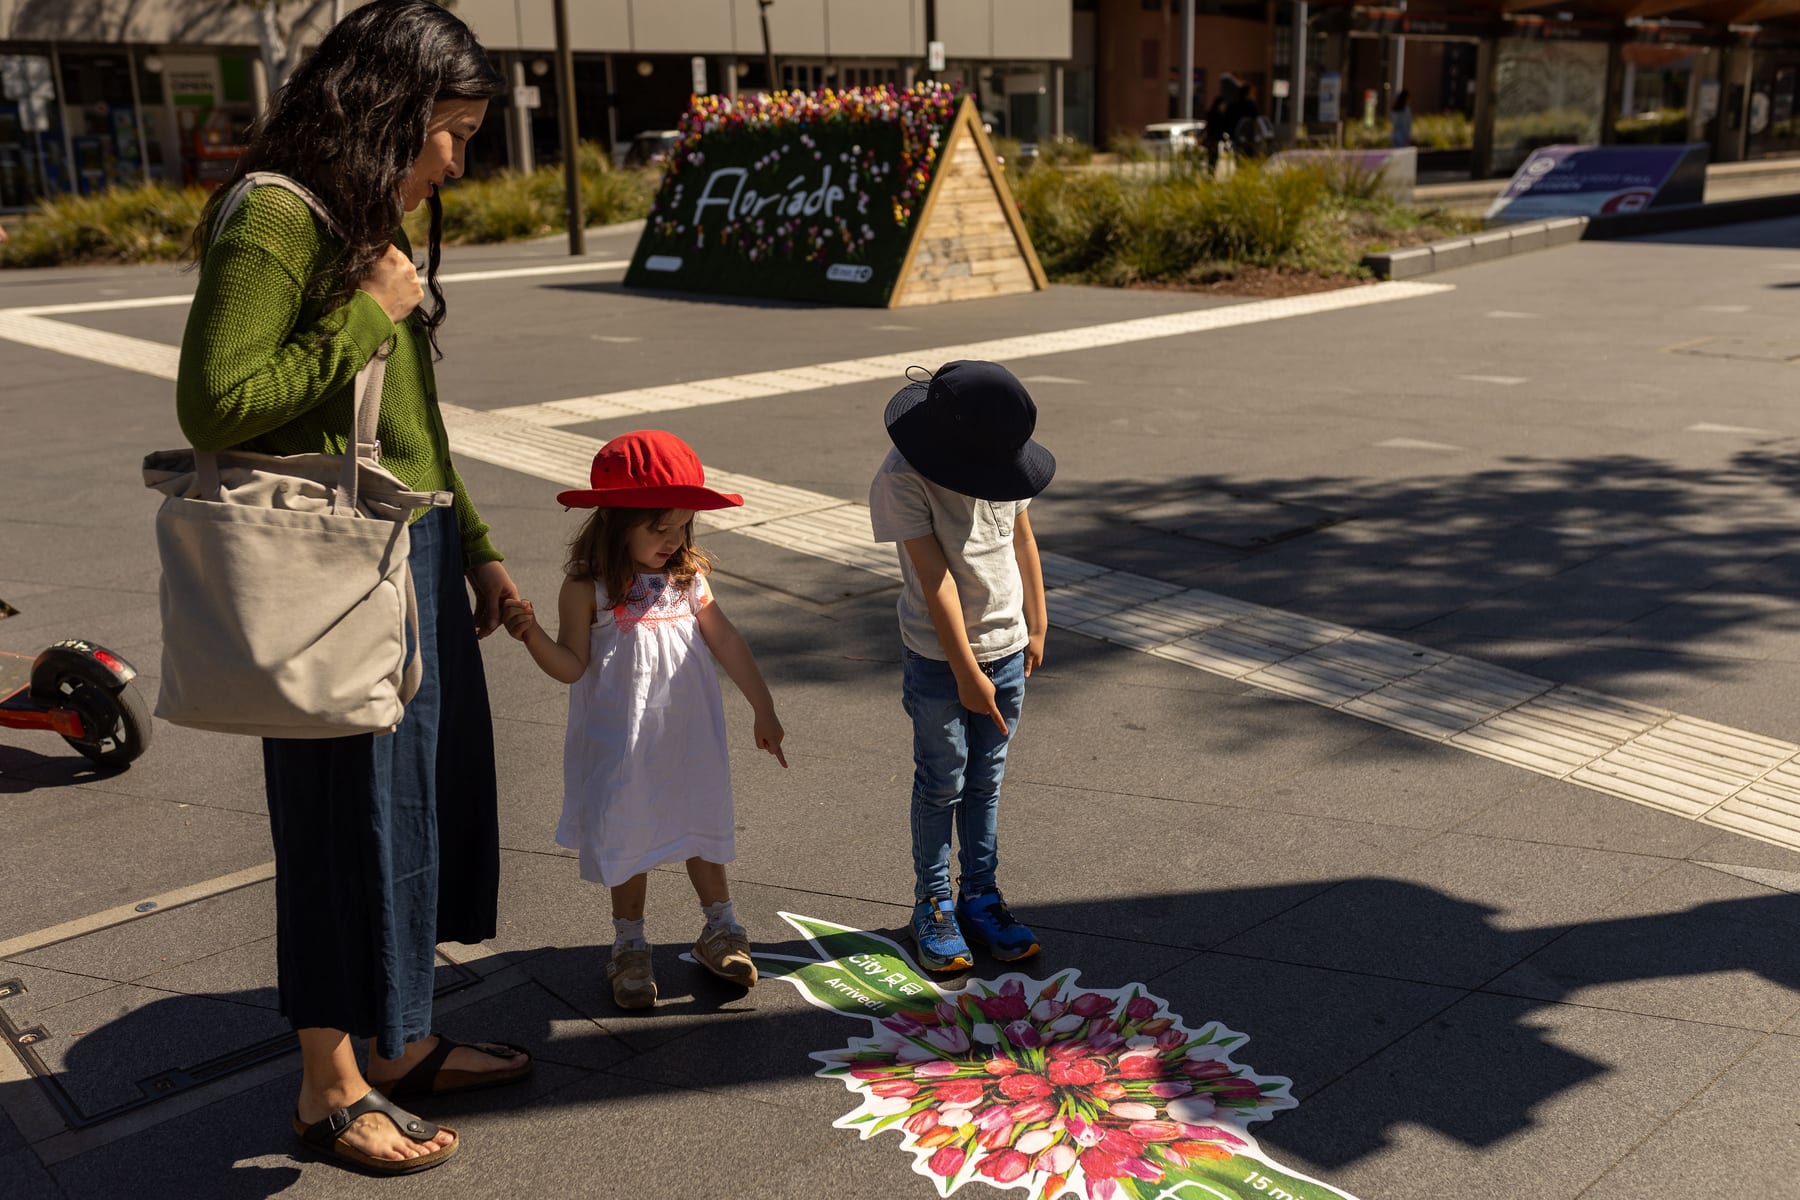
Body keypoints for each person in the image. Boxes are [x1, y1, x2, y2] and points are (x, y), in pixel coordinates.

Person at [174, 0, 529, 1176]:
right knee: (338, 822)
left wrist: (473, 542)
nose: (457, 161)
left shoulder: (368, 221)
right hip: (328, 569)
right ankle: (329, 1089)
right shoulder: (277, 218)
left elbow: (414, 426)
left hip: (409, 550)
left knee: (417, 810)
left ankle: (406, 1039)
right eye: (451, 132)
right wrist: (366, 321)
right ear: (389, 111)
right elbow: (217, 402)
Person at [500, 430, 787, 1011]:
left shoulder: (688, 580)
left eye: (682, 526)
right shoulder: (587, 588)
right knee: (628, 833)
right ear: (614, 522)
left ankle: (720, 928)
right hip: (623, 744)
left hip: (689, 739)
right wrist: (530, 635)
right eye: (659, 528)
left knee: (701, 823)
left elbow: (726, 640)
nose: (673, 538)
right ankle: (629, 945)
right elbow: (572, 666)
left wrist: (764, 706)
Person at [868, 361, 1054, 972]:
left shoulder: (999, 457)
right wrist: (967, 671)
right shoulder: (903, 477)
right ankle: (933, 901)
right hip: (939, 659)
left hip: (1006, 646)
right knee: (943, 779)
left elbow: (1022, 538)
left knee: (986, 779)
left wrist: (1037, 618)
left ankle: (980, 894)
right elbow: (936, 578)